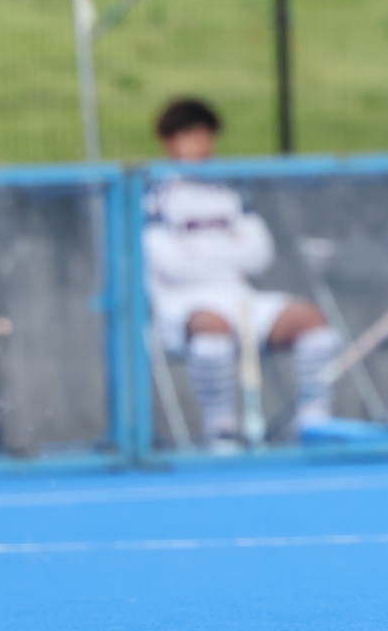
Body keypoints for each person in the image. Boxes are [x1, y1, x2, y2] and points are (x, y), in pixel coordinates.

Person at [142, 98, 342, 450]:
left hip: (240, 297)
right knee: (212, 329)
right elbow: (170, 263)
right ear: (169, 141)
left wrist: (200, 251)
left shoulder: (230, 188)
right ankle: (221, 429)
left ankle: (313, 422)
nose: (200, 145)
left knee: (311, 320)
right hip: (180, 306)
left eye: (205, 135)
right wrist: (228, 248)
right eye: (189, 135)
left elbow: (260, 252)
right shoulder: (152, 192)